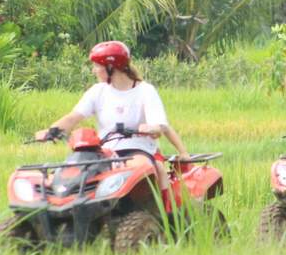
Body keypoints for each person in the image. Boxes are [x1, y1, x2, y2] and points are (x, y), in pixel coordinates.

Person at [34, 41, 189, 183]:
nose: (93, 70)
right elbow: (73, 117)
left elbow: (159, 125)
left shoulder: (146, 91)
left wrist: (152, 128)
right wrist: (51, 131)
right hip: (105, 152)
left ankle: (164, 205)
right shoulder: (97, 91)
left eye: (97, 66)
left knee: (148, 171)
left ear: (111, 67)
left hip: (140, 149)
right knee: (74, 175)